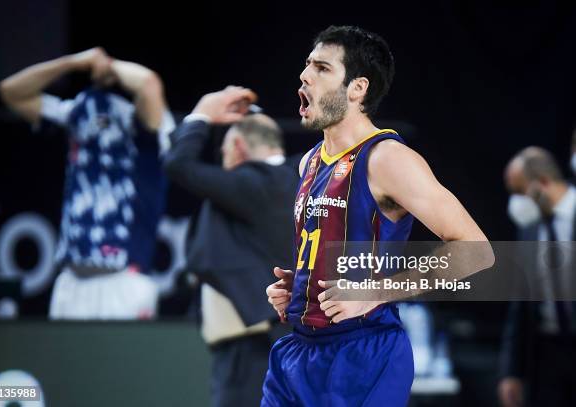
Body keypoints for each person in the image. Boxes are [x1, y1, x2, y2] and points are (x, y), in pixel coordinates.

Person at [263, 25, 491, 406]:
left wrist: (374, 292)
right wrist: (299, 288)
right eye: (307, 65)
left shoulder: (388, 158)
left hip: (363, 352)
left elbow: (476, 251)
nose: (304, 75)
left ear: (358, 88)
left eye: (321, 68)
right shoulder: (309, 162)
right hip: (297, 350)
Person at [0, 47, 175, 319]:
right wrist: (72, 63)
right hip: (72, 279)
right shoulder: (76, 114)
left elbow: (148, 84)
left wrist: (108, 65)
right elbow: (11, 91)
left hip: (125, 278)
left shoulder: (148, 126)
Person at [163, 87, 300, 407]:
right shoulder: (295, 177)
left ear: (237, 148)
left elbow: (179, 166)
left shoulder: (256, 182)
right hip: (275, 342)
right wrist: (253, 117)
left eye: (224, 155)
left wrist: (201, 114)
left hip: (253, 351)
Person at [499, 147, 576, 407]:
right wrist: (511, 372)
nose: (516, 203)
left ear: (543, 183)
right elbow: (519, 306)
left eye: (520, 192)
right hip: (547, 354)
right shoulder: (529, 229)